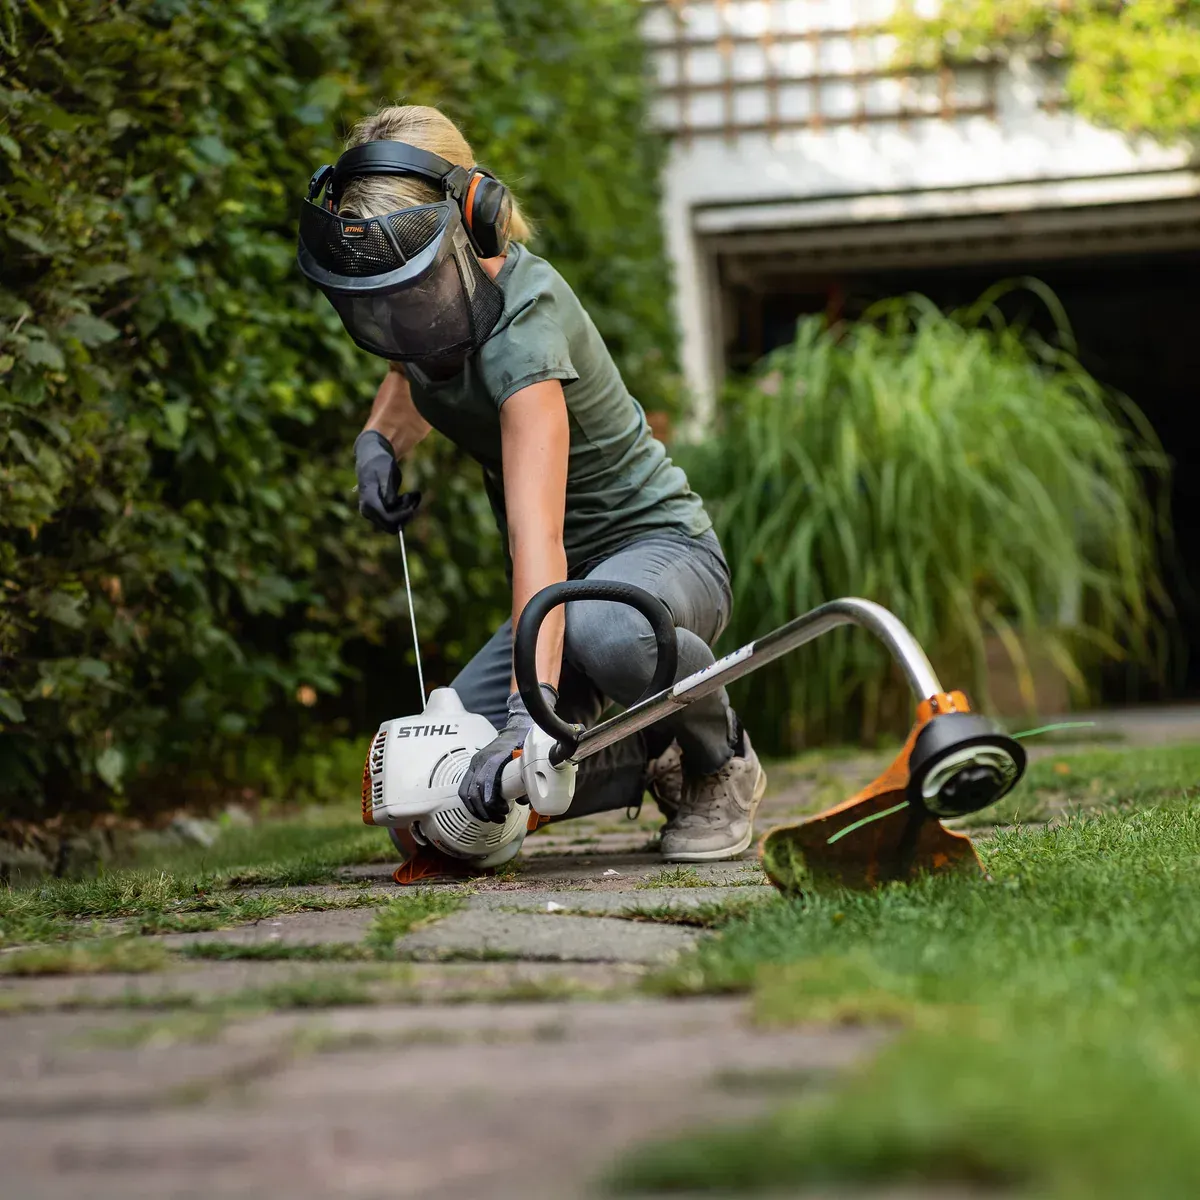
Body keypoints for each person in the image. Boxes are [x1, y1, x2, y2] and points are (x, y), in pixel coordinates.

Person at [328, 105, 764, 861]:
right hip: (570, 583)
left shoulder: (525, 327)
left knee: (599, 634)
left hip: (663, 556)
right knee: (431, 796)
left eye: (408, 278)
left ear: (473, 221)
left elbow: (539, 537)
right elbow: (409, 366)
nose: (394, 309)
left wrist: (526, 719)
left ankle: (719, 760)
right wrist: (378, 442)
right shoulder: (434, 300)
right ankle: (642, 749)